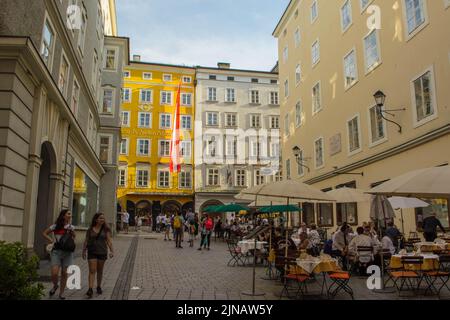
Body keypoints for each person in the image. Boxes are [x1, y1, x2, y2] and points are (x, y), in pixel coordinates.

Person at [42, 209, 76, 300]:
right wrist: (51, 240)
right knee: (54, 273)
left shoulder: (71, 227)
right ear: (63, 215)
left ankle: (61, 293)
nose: (70, 215)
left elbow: (74, 237)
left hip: (67, 253)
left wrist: (71, 232)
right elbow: (44, 233)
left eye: (70, 214)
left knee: (64, 273)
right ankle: (55, 285)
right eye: (68, 214)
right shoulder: (55, 226)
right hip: (56, 251)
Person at [82, 213, 114, 298]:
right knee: (92, 270)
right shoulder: (90, 229)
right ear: (96, 219)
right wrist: (84, 251)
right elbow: (86, 240)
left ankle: (99, 286)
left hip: (102, 252)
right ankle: (90, 289)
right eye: (100, 218)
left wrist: (112, 251)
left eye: (103, 218)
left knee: (99, 270)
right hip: (92, 252)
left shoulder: (106, 229)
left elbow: (109, 241)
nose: (102, 220)